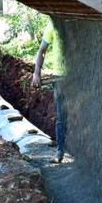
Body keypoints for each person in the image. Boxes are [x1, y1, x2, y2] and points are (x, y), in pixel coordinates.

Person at [32, 21, 65, 163]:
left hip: (78, 77)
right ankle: (60, 151)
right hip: (60, 77)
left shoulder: (77, 24)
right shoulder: (53, 25)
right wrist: (36, 73)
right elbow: (42, 50)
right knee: (62, 116)